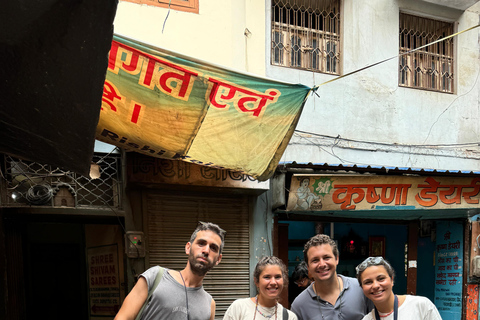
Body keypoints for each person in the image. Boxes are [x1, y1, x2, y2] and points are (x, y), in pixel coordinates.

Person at [114, 221, 226, 320]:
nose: (206, 250)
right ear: (188, 248)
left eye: (213, 248)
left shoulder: (209, 304)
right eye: (201, 243)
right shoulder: (156, 277)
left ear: (218, 259)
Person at [291, 234, 373, 320]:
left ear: (336, 259)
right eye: (315, 260)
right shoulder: (299, 305)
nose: (322, 264)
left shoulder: (360, 288)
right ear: (308, 266)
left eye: (326, 257)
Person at [355, 256, 442, 320]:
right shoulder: (368, 319)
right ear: (362, 287)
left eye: (381, 279)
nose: (375, 286)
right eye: (368, 282)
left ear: (392, 280)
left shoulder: (420, 306)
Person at [223, 256, 298, 320]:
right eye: (267, 277)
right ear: (256, 281)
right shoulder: (239, 308)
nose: (273, 282)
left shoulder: (289, 317)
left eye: (277, 277)